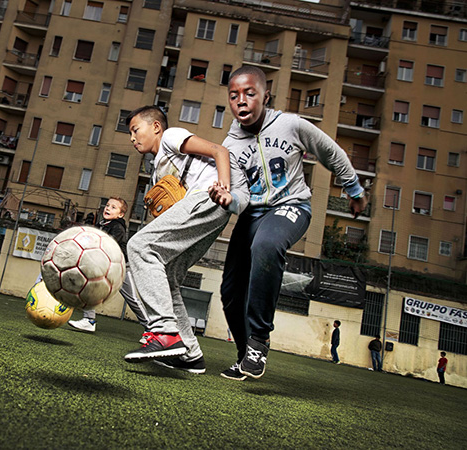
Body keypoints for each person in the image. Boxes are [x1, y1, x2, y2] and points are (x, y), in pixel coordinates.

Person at [209, 66, 368, 381]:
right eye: (234, 95)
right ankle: (246, 356)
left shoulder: (291, 125)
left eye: (249, 93)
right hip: (253, 213)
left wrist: (354, 189)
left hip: (292, 206)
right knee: (230, 290)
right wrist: (228, 200)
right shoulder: (230, 145)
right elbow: (240, 195)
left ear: (265, 96)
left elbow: (331, 153)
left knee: (266, 245)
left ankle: (259, 339)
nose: (241, 101)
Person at [123, 105, 249, 374]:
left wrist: (223, 188)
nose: (132, 138)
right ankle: (190, 355)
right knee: (167, 276)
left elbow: (220, 151)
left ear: (155, 127)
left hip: (208, 198)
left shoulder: (170, 137)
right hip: (207, 213)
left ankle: (164, 333)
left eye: (136, 130)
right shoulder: (157, 169)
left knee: (139, 246)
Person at [68, 197, 150, 341]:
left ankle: (153, 330)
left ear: (120, 215)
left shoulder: (118, 227)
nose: (108, 208)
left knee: (132, 299)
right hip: (106, 265)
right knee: (89, 288)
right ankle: (89, 320)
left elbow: (106, 244)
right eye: (107, 205)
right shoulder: (102, 224)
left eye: (113, 207)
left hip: (120, 267)